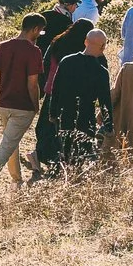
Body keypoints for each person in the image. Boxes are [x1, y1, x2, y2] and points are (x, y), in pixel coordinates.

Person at [0, 14, 46, 191]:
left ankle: (16, 181)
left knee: (10, 144)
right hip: (22, 106)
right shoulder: (34, 51)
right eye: (39, 31)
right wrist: (35, 106)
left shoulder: (4, 46)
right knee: (5, 148)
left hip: (4, 102)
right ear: (35, 29)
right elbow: (32, 83)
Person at [44, 29, 113, 171]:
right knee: (83, 153)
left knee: (65, 151)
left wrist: (52, 113)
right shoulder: (101, 71)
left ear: (85, 41)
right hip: (86, 117)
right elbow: (105, 101)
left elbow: (55, 89)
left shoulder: (67, 61)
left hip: (65, 114)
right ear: (103, 47)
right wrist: (109, 125)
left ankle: (62, 176)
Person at [33, 16, 94, 173]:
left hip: (52, 88)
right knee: (65, 125)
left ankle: (42, 152)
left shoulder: (58, 41)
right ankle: (60, 155)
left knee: (46, 123)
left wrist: (47, 81)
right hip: (72, 93)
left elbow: (46, 62)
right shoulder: (83, 48)